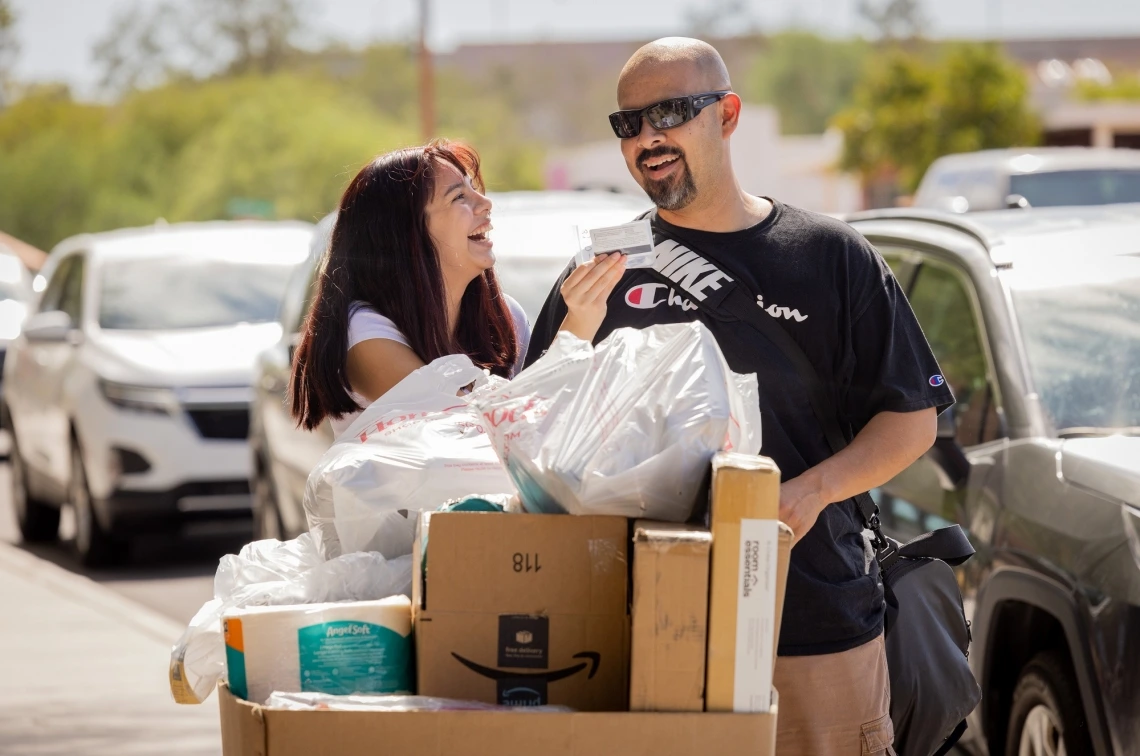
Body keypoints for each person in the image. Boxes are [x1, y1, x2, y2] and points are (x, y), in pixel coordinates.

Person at [525, 39, 954, 755]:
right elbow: (536, 442)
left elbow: (911, 421)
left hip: (810, 622)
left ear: (726, 115)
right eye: (628, 124)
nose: (647, 138)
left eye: (669, 113)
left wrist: (810, 493)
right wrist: (576, 328)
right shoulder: (601, 272)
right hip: (641, 626)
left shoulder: (830, 256)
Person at [289, 140, 625, 436]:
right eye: (459, 196)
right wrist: (577, 325)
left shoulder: (506, 317)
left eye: (475, 190)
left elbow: (536, 428)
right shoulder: (364, 333)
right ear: (407, 232)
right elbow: (480, 428)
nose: (485, 204)